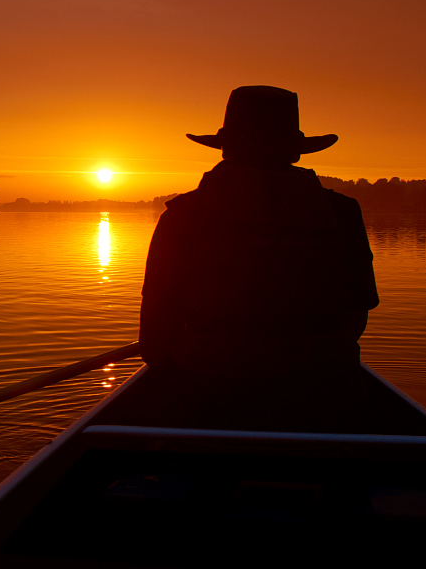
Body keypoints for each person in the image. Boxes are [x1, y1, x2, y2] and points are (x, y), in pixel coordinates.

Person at [136, 85, 379, 430]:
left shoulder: (183, 216)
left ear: (225, 148)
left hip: (209, 397)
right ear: (295, 152)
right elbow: (356, 322)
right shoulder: (342, 212)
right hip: (324, 396)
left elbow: (154, 343)